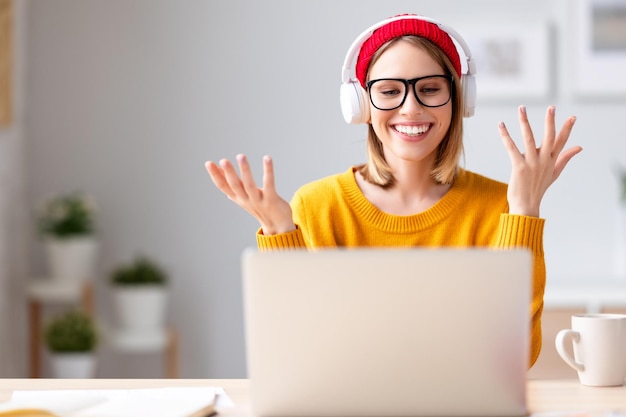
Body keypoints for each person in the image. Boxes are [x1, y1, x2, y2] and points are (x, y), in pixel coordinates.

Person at [204, 14, 582, 367]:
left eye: (430, 88)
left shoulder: (501, 207)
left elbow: (513, 358)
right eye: (389, 91)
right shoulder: (317, 206)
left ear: (459, 99)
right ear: (360, 105)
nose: (411, 108)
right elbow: (294, 353)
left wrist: (524, 210)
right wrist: (280, 233)